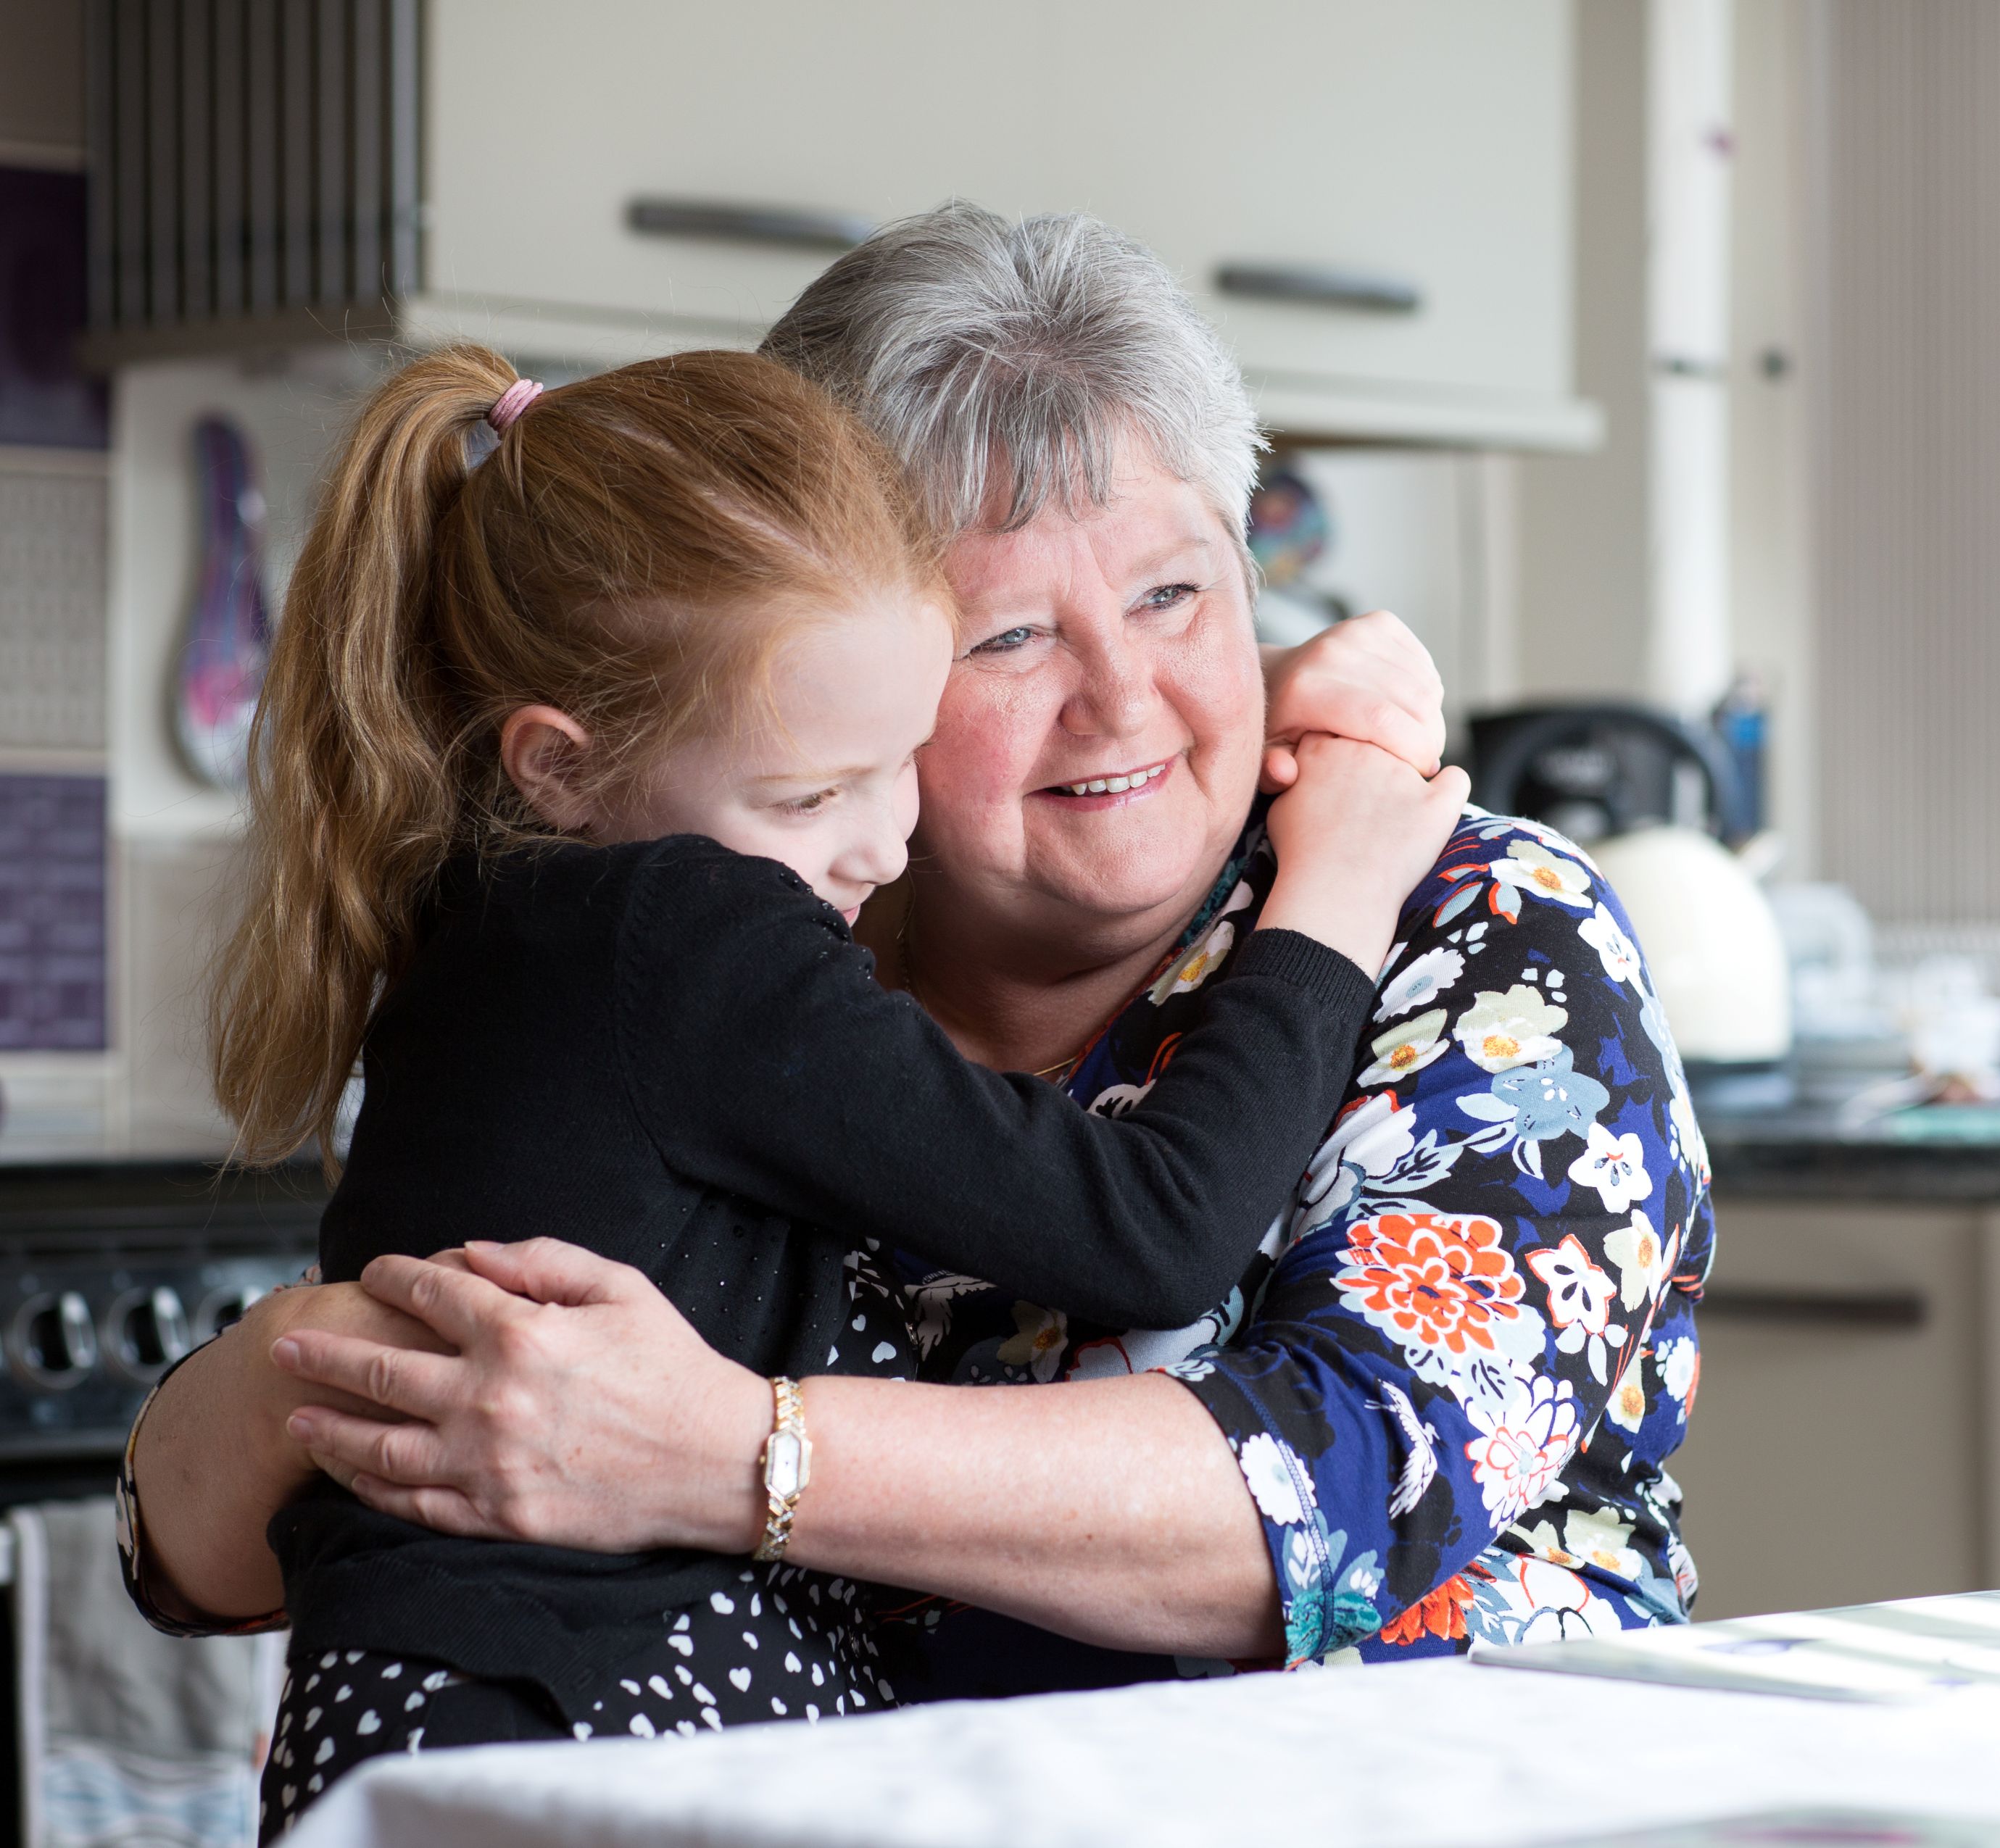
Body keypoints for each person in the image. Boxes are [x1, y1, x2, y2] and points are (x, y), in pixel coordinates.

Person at [124, 204, 1715, 1731]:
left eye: (1175, 595)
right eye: (1003, 640)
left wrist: (724, 1454)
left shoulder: (1474, 927)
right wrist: (291, 1375)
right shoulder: (758, 941)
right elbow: (192, 1560)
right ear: (828, 675)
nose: (1122, 702)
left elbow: (1336, 1488)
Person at [215, 341, 1465, 1834]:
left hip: (449, 1694)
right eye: (815, 796)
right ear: (558, 764)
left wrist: (1219, 707)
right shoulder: (694, 936)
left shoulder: (513, 915)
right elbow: (1156, 1227)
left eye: (901, 762)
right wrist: (1332, 893)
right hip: (575, 1707)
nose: (877, 848)